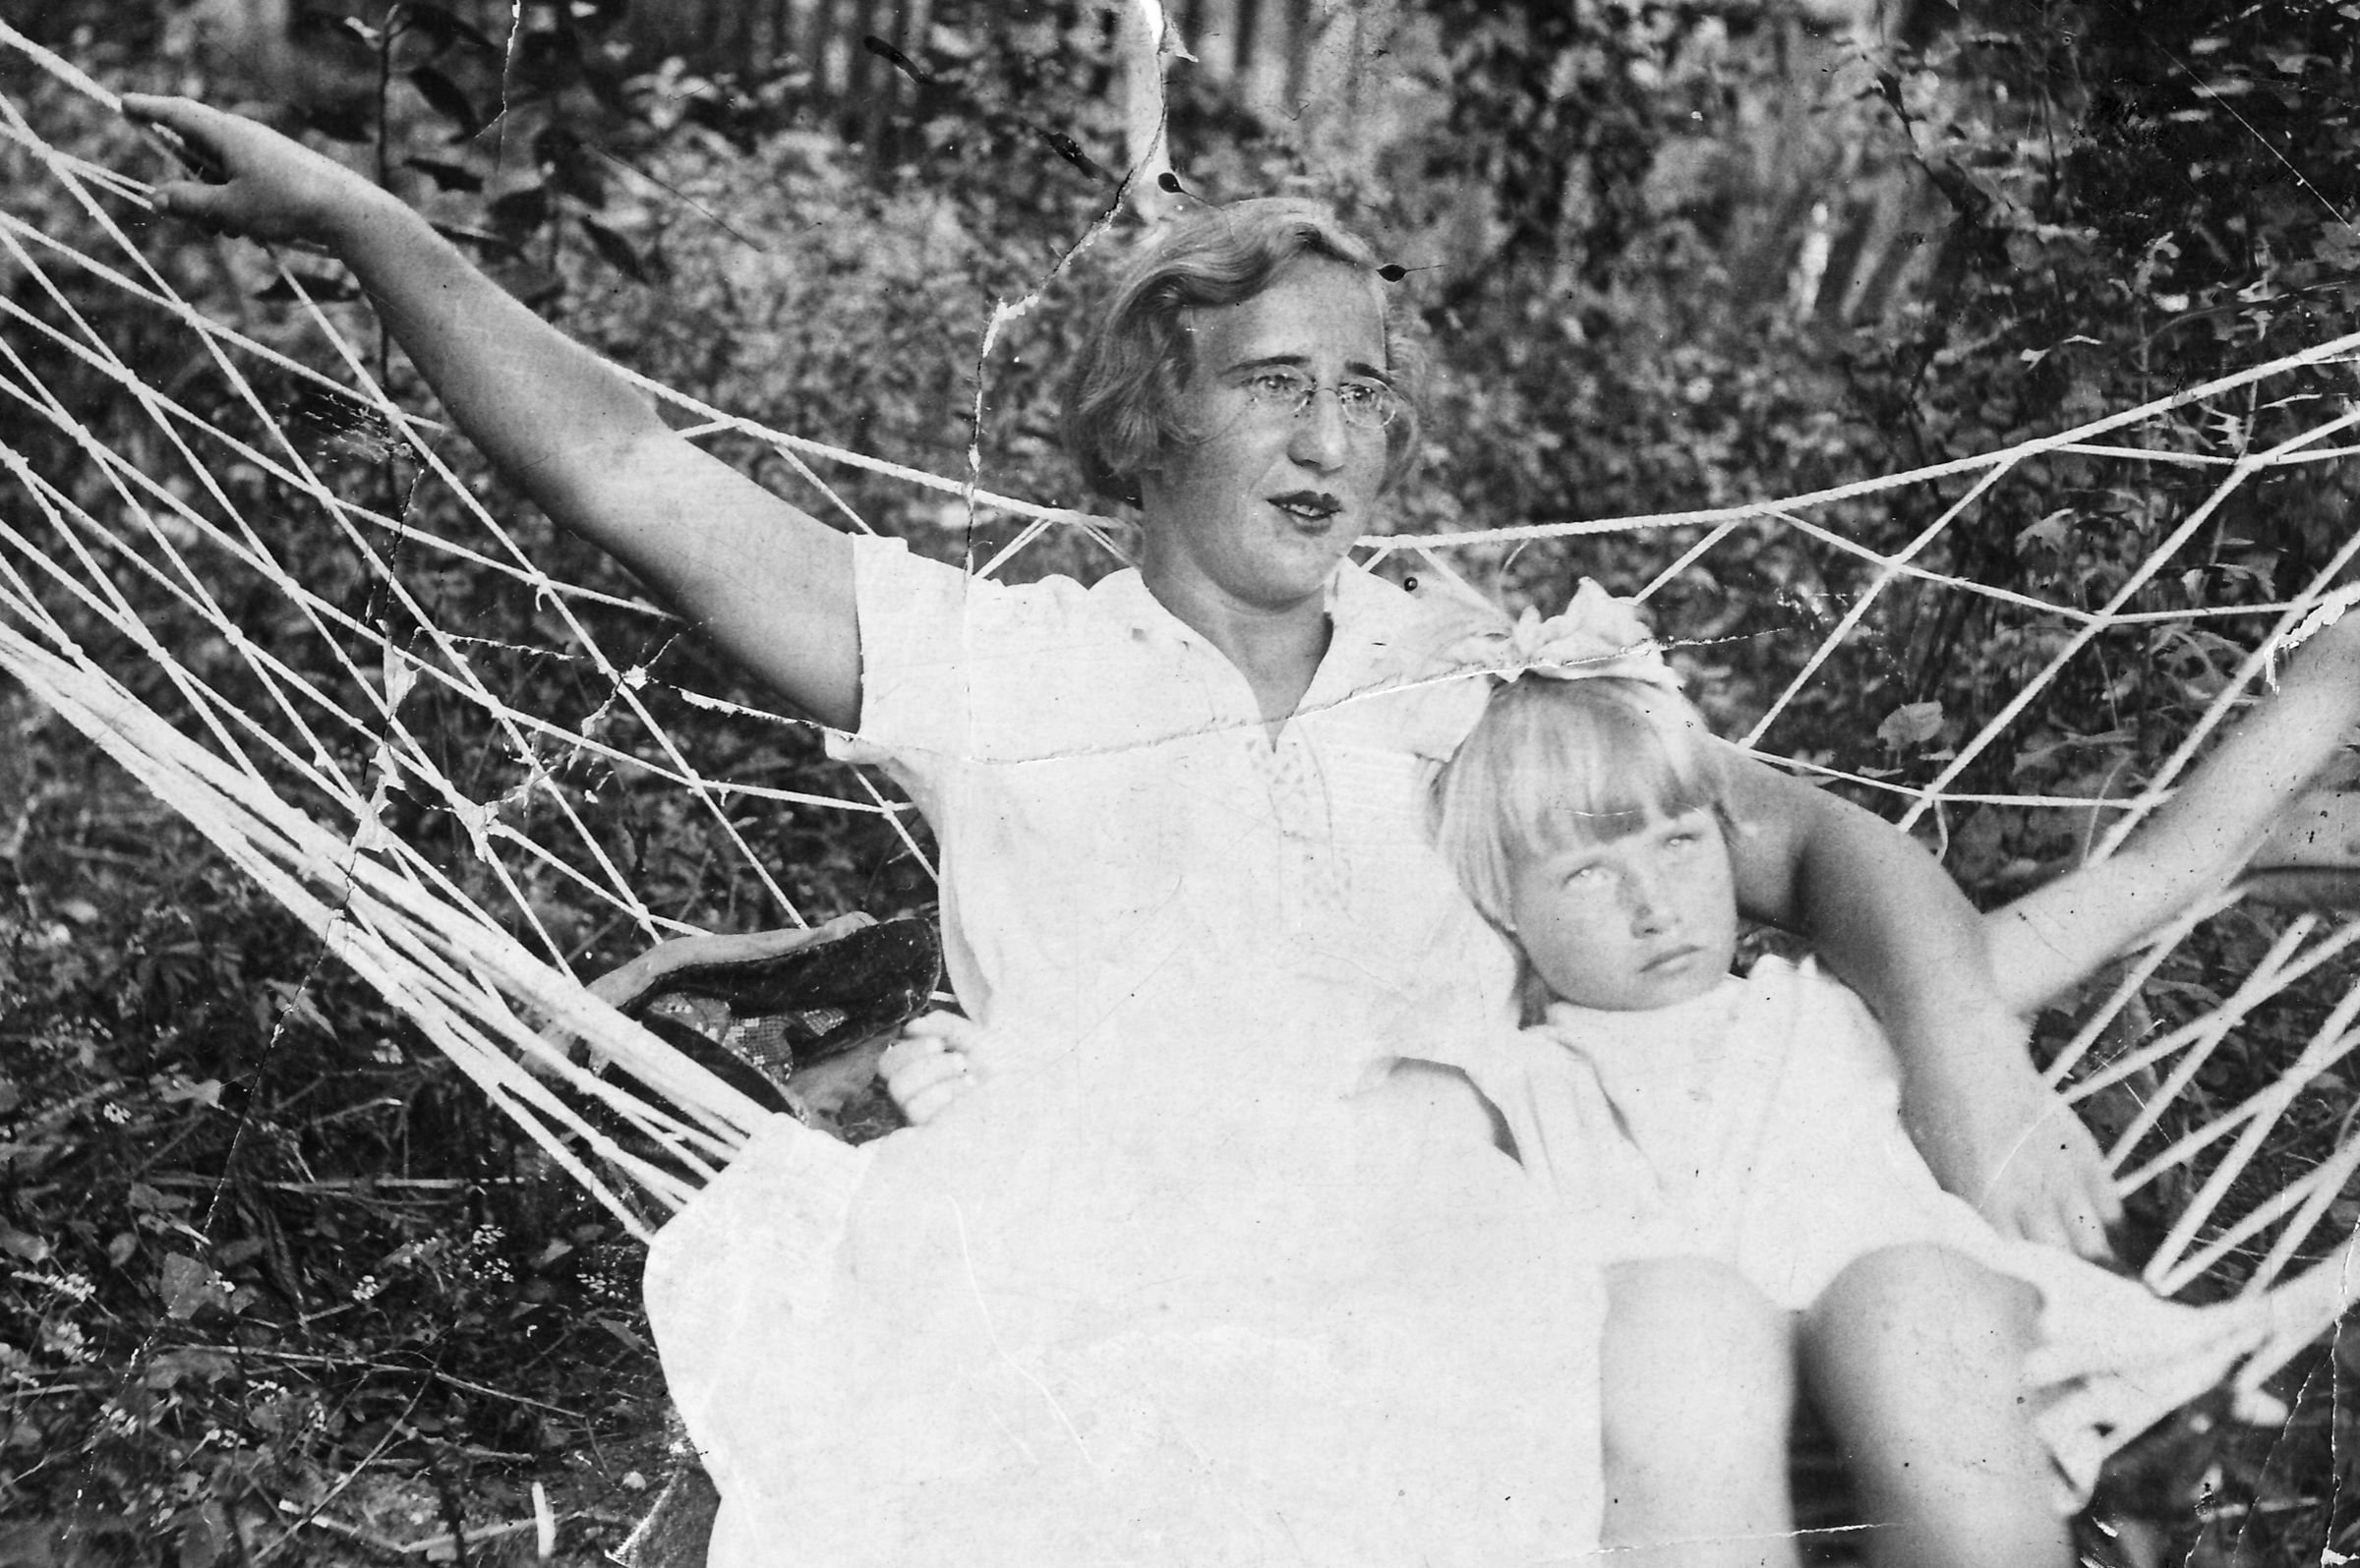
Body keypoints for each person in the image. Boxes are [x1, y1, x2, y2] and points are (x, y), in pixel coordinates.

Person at [125, 93, 2120, 1564]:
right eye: (1275, 386)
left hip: (1445, 1275)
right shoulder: (1001, 665)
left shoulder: (1473, 678)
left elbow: (1815, 847)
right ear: (1153, 415)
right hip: (1088, 1268)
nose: (1332, 441)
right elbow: (628, 468)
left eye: (1366, 392)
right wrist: (372, 222)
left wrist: (1973, 1059)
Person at [1385, 580, 2360, 1568]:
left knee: (1909, 1300)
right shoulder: (1508, 1088)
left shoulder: (1839, 1012)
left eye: (1680, 841)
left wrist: (2330, 679)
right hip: (1693, 1438)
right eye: (1590, 873)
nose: (1655, 903)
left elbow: (2146, 876)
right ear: (1502, 906)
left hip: (1941, 1395)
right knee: (1677, 1331)